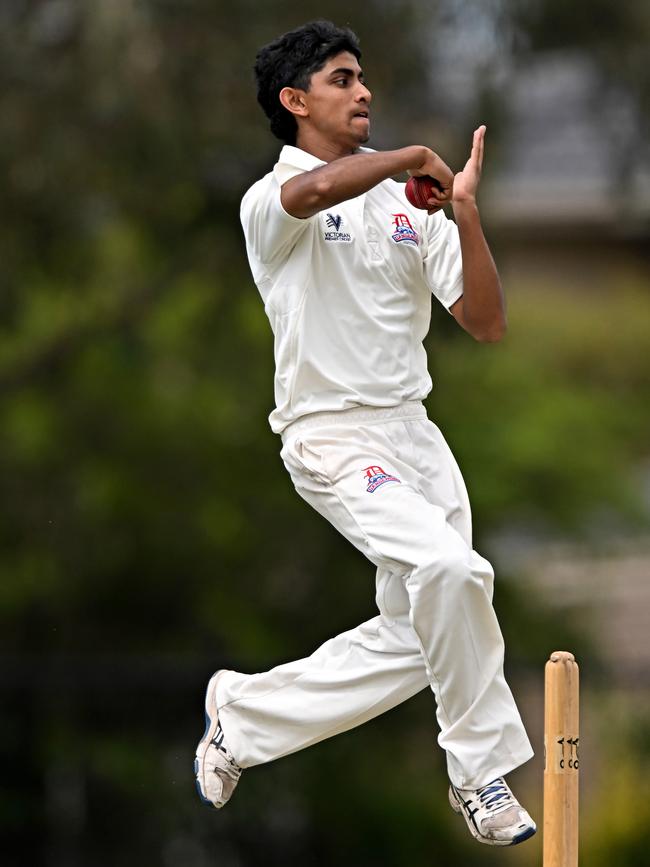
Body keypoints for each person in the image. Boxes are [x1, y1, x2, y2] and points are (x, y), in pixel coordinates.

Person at [195, 20, 536, 847]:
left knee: (431, 633)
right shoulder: (269, 204)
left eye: (363, 79)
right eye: (343, 80)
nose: (364, 93)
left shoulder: (403, 208)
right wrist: (416, 155)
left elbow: (484, 322)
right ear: (295, 99)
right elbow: (314, 194)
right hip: (333, 436)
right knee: (453, 570)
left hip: (415, 436)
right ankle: (478, 775)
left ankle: (242, 716)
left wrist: (463, 212)